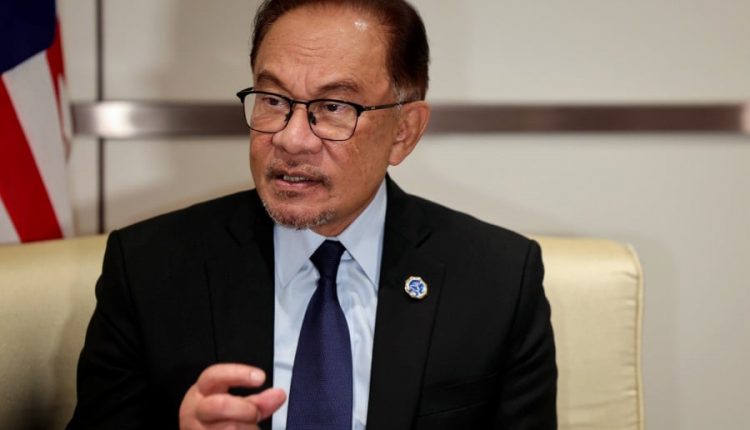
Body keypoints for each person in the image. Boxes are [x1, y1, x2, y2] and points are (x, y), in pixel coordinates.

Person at [67, 0, 557, 428]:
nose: (290, 138)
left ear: (404, 131)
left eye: (334, 106)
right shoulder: (149, 268)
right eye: (273, 100)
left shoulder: (498, 280)